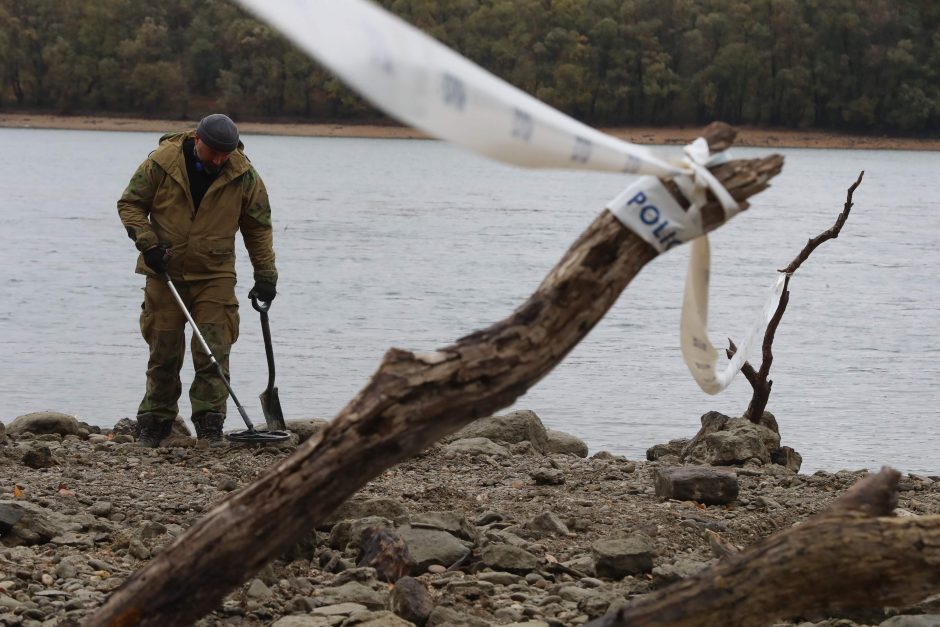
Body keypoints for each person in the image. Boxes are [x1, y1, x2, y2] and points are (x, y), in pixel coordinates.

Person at [117, 113, 278, 447]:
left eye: (225, 154)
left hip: (215, 274)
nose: (219, 160)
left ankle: (210, 426)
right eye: (213, 153)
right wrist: (148, 244)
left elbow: (258, 227)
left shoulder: (243, 175)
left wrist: (266, 276)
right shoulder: (162, 163)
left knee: (214, 351)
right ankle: (154, 425)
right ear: (198, 142)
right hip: (165, 271)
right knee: (163, 351)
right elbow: (130, 204)